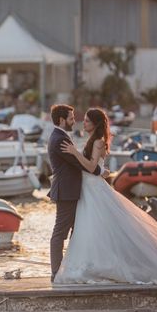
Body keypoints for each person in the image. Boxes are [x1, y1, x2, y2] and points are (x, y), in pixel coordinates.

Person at [54, 107, 157, 284]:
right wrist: (99, 169)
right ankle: (91, 263)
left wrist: (74, 153)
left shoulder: (98, 142)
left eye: (87, 120)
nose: (84, 122)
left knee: (94, 226)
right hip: (88, 187)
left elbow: (91, 167)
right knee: (88, 228)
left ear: (95, 123)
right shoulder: (94, 140)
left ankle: (101, 265)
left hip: (93, 189)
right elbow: (96, 168)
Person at [47, 104, 106, 282]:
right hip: (67, 191)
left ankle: (73, 267)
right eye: (71, 118)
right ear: (61, 120)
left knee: (77, 231)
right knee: (60, 233)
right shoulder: (59, 139)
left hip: (72, 190)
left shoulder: (61, 136)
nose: (75, 121)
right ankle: (56, 272)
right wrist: (100, 171)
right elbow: (79, 164)